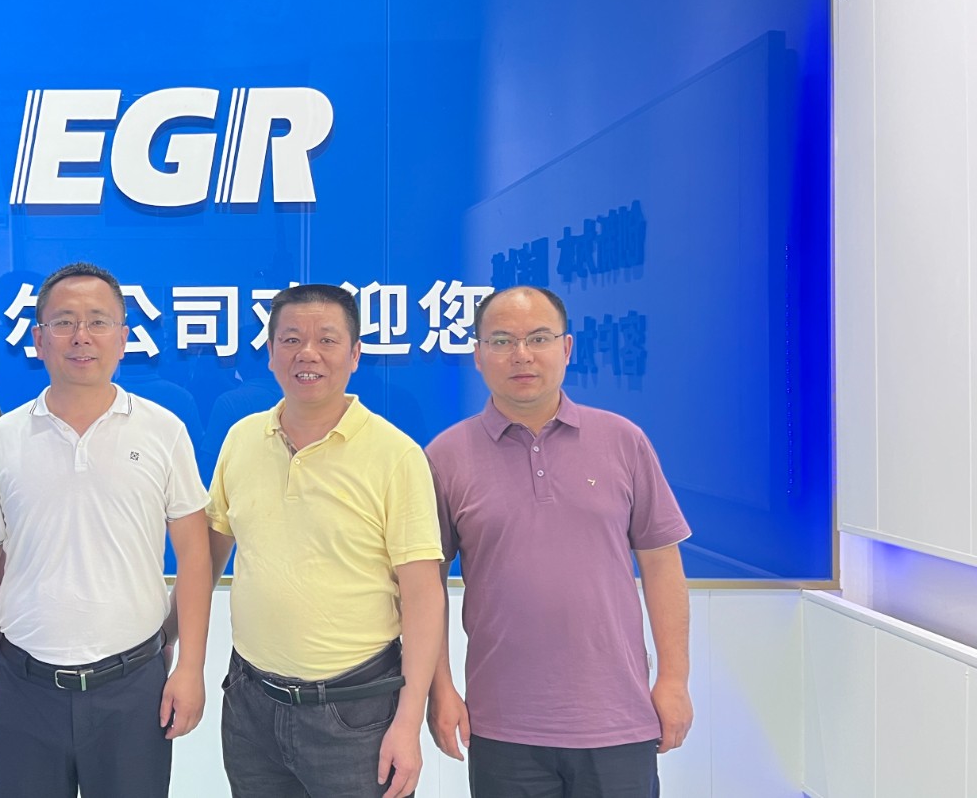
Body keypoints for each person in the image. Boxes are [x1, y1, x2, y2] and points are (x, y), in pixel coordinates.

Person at [0, 261, 212, 798]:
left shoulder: (163, 431)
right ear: (39, 339)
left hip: (133, 687)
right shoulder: (4, 438)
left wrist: (191, 668)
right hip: (23, 687)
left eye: (98, 321)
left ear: (124, 337)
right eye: (64, 322)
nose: (81, 336)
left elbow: (195, 556)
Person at [425, 285, 692, 798]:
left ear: (567, 348)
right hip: (501, 725)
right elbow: (425, 588)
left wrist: (674, 680)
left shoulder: (624, 440)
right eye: (501, 341)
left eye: (538, 338)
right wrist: (441, 689)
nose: (521, 354)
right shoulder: (446, 456)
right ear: (477, 355)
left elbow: (662, 566)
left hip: (619, 718)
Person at [207, 283, 445, 798]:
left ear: (355, 354)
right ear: (271, 353)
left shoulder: (396, 455)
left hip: (356, 712)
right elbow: (210, 554)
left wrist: (409, 722)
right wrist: (170, 641)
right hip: (250, 704)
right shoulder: (242, 438)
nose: (308, 353)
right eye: (291, 339)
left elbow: (424, 596)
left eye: (328, 340)